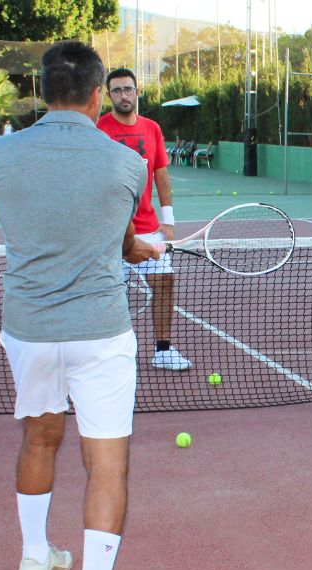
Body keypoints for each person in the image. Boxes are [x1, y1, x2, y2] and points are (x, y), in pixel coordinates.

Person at [0, 40, 160, 570]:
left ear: (42, 92)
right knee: (105, 460)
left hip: (28, 328)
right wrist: (145, 248)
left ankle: (36, 558)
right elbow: (119, 242)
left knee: (38, 433)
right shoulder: (124, 163)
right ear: (94, 95)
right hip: (100, 331)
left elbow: (19, 222)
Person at [98, 68, 192, 371]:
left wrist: (169, 220)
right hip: (110, 232)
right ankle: (111, 351)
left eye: (128, 89)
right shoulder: (99, 128)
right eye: (117, 90)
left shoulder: (152, 128)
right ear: (108, 95)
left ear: (137, 93)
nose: (123, 95)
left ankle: (163, 349)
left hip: (149, 228)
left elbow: (161, 174)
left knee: (164, 281)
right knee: (111, 292)